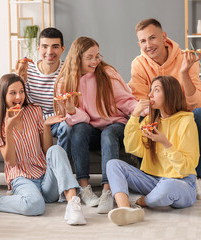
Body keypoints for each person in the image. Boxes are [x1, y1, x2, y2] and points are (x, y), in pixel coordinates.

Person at [0, 73, 86, 226]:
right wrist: (9, 129)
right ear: (2, 95)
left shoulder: (34, 111)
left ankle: (73, 206)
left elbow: (47, 150)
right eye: (13, 93)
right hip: (21, 178)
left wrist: (46, 125)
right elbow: (10, 161)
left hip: (45, 177)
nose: (19, 97)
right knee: (35, 206)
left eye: (21, 91)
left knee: (56, 150)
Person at [129, 18, 201, 200]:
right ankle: (151, 175)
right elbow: (142, 102)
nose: (148, 45)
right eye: (143, 41)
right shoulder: (138, 64)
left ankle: (195, 177)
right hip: (157, 116)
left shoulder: (186, 58)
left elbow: (197, 103)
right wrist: (160, 109)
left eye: (152, 38)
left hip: (184, 117)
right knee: (141, 121)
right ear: (139, 43)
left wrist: (183, 73)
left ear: (164, 37)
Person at [54, 36, 138, 214]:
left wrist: (141, 109)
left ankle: (108, 190)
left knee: (108, 133)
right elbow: (82, 118)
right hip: (90, 127)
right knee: (78, 129)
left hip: (116, 125)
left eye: (97, 56)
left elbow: (125, 100)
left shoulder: (107, 74)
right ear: (78, 58)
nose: (95, 61)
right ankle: (84, 188)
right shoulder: (65, 82)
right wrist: (70, 110)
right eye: (89, 57)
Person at [107, 75, 199, 226]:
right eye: (150, 90)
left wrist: (165, 143)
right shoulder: (151, 119)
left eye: (156, 90)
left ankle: (140, 201)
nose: (150, 95)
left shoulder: (186, 121)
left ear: (170, 94)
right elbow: (132, 147)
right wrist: (135, 116)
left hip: (180, 182)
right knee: (113, 164)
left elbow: (187, 167)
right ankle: (126, 210)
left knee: (167, 186)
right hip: (152, 180)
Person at [16, 27, 71, 156]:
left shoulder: (68, 71)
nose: (49, 51)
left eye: (55, 47)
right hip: (33, 121)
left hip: (57, 121)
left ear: (62, 49)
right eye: (45, 46)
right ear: (38, 48)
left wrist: (51, 119)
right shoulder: (27, 70)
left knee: (67, 128)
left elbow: (68, 106)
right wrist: (20, 80)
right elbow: (20, 104)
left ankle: (58, 168)